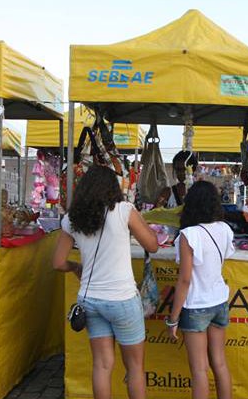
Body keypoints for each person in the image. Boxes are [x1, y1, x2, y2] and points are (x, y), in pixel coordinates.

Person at [52, 166, 159, 399]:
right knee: (135, 368)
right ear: (112, 188)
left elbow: (58, 262)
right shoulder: (123, 211)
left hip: (90, 301)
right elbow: (152, 245)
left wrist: (76, 267)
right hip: (122, 299)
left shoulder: (72, 219)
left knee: (102, 366)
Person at [166, 181, 234, 399]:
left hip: (196, 306)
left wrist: (173, 318)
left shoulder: (189, 234)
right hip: (219, 302)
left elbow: (185, 280)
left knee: (199, 370)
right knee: (220, 363)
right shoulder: (225, 229)